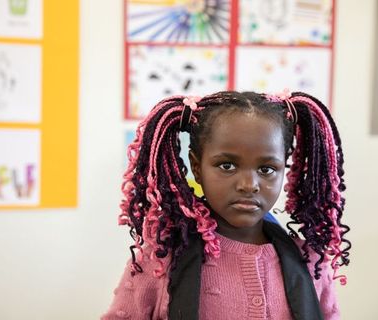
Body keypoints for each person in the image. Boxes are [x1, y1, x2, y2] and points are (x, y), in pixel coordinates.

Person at [101, 91, 351, 320]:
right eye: (227, 165)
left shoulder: (311, 261)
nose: (248, 184)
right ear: (197, 168)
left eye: (266, 169)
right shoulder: (161, 258)